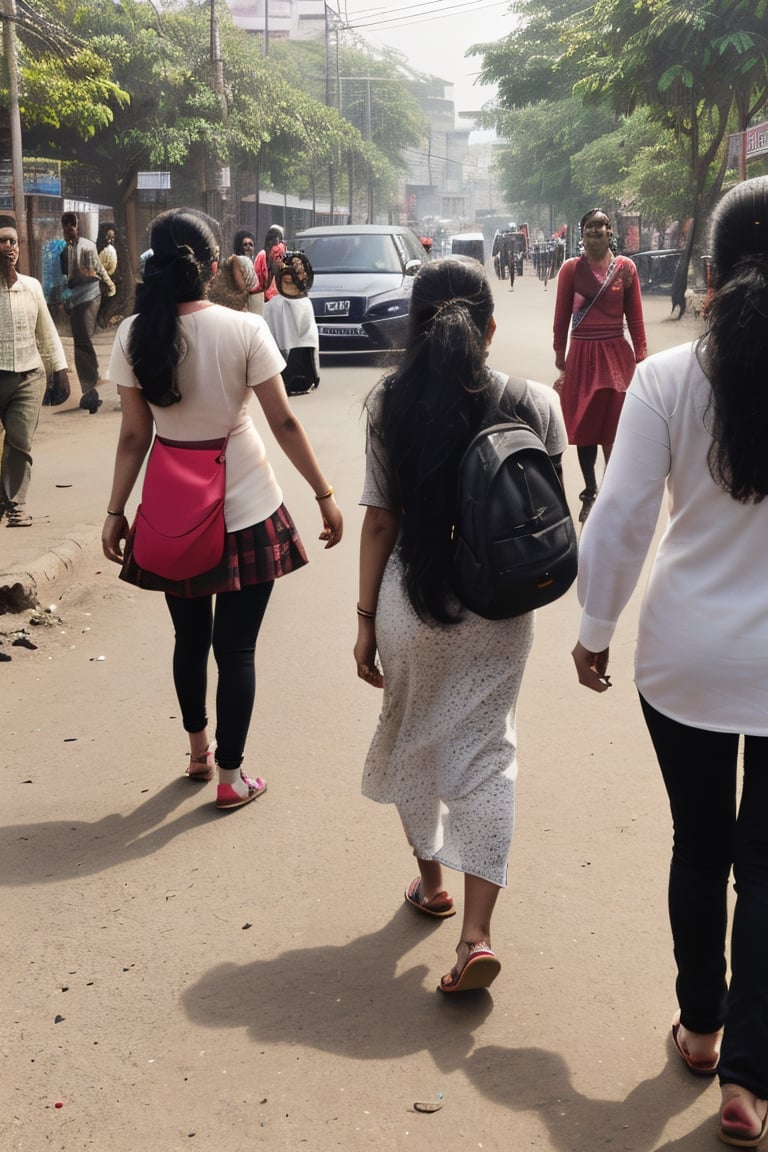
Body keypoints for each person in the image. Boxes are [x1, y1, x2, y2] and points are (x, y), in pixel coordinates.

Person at [571, 176, 768, 1148]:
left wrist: (594, 627)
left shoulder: (668, 380)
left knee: (703, 843)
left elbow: (620, 519)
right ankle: (750, 1080)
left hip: (686, 657)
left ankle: (702, 1029)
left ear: (714, 270)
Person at [354, 255, 567, 993]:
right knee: (486, 753)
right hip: (502, 607)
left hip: (411, 601)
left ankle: (431, 885)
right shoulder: (534, 400)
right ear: (492, 325)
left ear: (412, 327)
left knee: (412, 739)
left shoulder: (388, 403)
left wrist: (362, 621)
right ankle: (476, 935)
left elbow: (381, 522)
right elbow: (550, 507)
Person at [102, 208, 343, 810]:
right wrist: (324, 493)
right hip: (248, 506)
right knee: (236, 650)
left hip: (172, 509)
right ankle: (233, 779)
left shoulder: (134, 333)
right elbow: (283, 420)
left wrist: (114, 511)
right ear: (214, 267)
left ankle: (197, 753)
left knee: (189, 640)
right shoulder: (244, 330)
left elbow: (134, 436)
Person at [552, 208, 647, 523]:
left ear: (611, 232)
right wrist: (559, 355)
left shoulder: (625, 269)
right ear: (581, 234)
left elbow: (634, 317)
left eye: (602, 226)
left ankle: (613, 491)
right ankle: (590, 491)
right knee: (586, 426)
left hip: (615, 355)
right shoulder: (570, 270)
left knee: (616, 425)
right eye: (590, 227)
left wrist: (641, 356)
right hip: (582, 355)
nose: (596, 231)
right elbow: (562, 316)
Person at [0, 215, 70, 527]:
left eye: (12, 241)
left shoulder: (32, 287)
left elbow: (46, 332)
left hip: (28, 377)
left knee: (19, 443)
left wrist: (60, 370)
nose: (7, 247)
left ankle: (16, 505)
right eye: (1, 241)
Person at [60, 211, 115, 413]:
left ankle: (91, 386)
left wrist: (109, 284)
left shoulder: (87, 246)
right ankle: (90, 387)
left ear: (77, 226)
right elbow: (66, 278)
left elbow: (98, 269)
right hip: (76, 299)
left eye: (71, 225)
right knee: (80, 343)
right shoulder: (65, 250)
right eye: (65, 225)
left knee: (83, 339)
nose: (68, 228)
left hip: (90, 296)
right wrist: (65, 298)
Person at [232, 229, 264, 315]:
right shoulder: (238, 260)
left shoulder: (256, 262)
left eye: (251, 244)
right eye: (245, 244)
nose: (248, 247)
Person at [254, 224, 286, 303]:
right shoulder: (262, 255)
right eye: (271, 237)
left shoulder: (280, 251)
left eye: (276, 237)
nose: (273, 241)